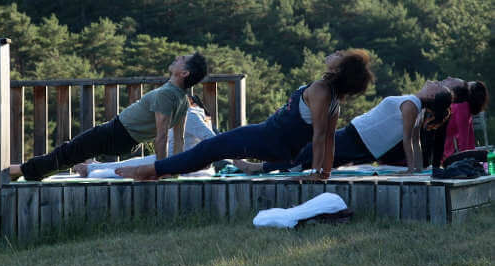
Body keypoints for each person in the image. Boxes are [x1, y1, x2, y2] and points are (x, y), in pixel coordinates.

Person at [115, 49, 375, 181]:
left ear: (339, 68)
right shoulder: (331, 98)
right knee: (212, 149)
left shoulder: (321, 91)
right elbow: (326, 138)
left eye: (340, 55)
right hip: (273, 141)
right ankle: (156, 170)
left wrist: (318, 173)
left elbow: (321, 137)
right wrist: (324, 172)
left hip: (269, 139)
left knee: (209, 148)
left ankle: (151, 170)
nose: (335, 53)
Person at [10, 53, 208, 181]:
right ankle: (31, 172)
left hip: (116, 133)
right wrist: (175, 170)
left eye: (183, 58)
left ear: (184, 72)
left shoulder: (168, 95)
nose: (178, 56)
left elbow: (162, 136)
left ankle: (17, 171)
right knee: (70, 155)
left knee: (67, 152)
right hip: (122, 135)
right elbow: (179, 140)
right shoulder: (182, 99)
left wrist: (163, 170)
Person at [233, 81, 453, 176]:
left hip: (359, 139)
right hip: (361, 140)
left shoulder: (412, 105)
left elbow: (409, 140)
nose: (433, 81)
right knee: (310, 154)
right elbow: (414, 141)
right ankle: (275, 166)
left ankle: (257, 167)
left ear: (433, 95)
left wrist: (412, 171)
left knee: (308, 150)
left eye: (436, 85)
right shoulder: (416, 107)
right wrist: (416, 169)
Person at [72, 94, 216, 177]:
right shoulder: (189, 115)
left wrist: (204, 162)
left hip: (175, 162)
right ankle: (96, 167)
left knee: (131, 166)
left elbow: (212, 139)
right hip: (172, 159)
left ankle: (89, 169)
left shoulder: (190, 116)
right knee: (133, 162)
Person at [421, 78, 489, 167]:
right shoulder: (454, 106)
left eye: (467, 84)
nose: (449, 77)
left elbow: (464, 142)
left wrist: (465, 162)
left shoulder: (462, 106)